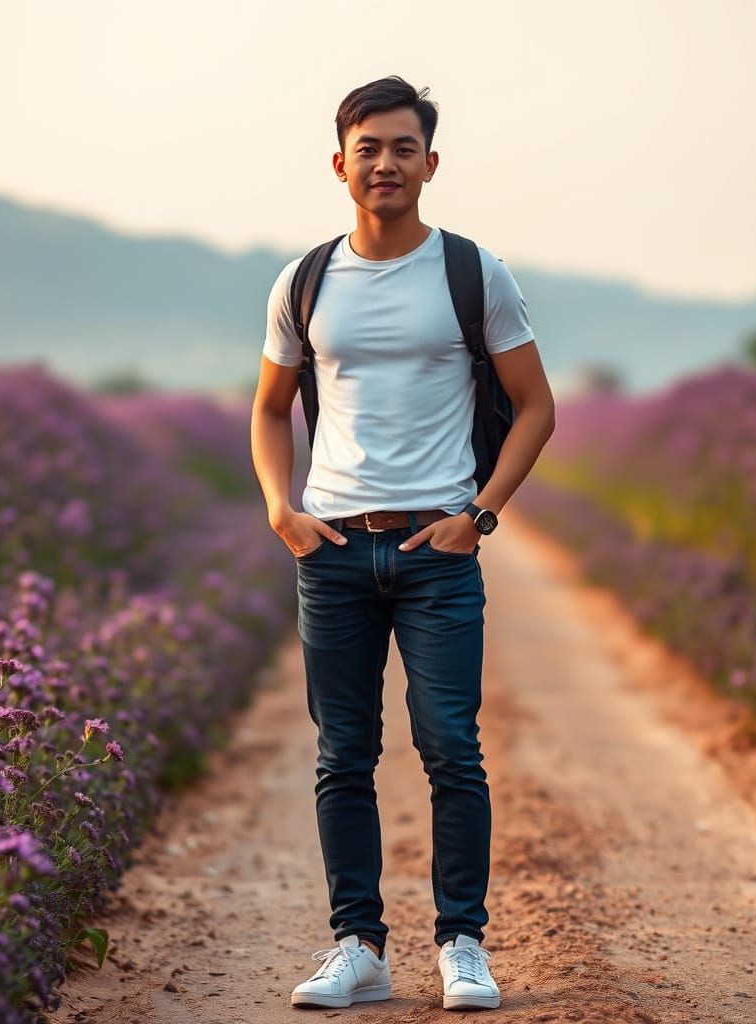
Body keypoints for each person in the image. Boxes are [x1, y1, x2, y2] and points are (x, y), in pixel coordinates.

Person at [250, 75, 555, 1012]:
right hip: (333, 550)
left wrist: (482, 517)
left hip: (438, 554)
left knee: (450, 746)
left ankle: (463, 943)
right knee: (343, 754)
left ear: (431, 162)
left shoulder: (473, 273)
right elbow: (268, 410)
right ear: (340, 163)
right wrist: (281, 509)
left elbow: (537, 407)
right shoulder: (305, 281)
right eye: (368, 148)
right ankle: (359, 949)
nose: (386, 163)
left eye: (403, 147)